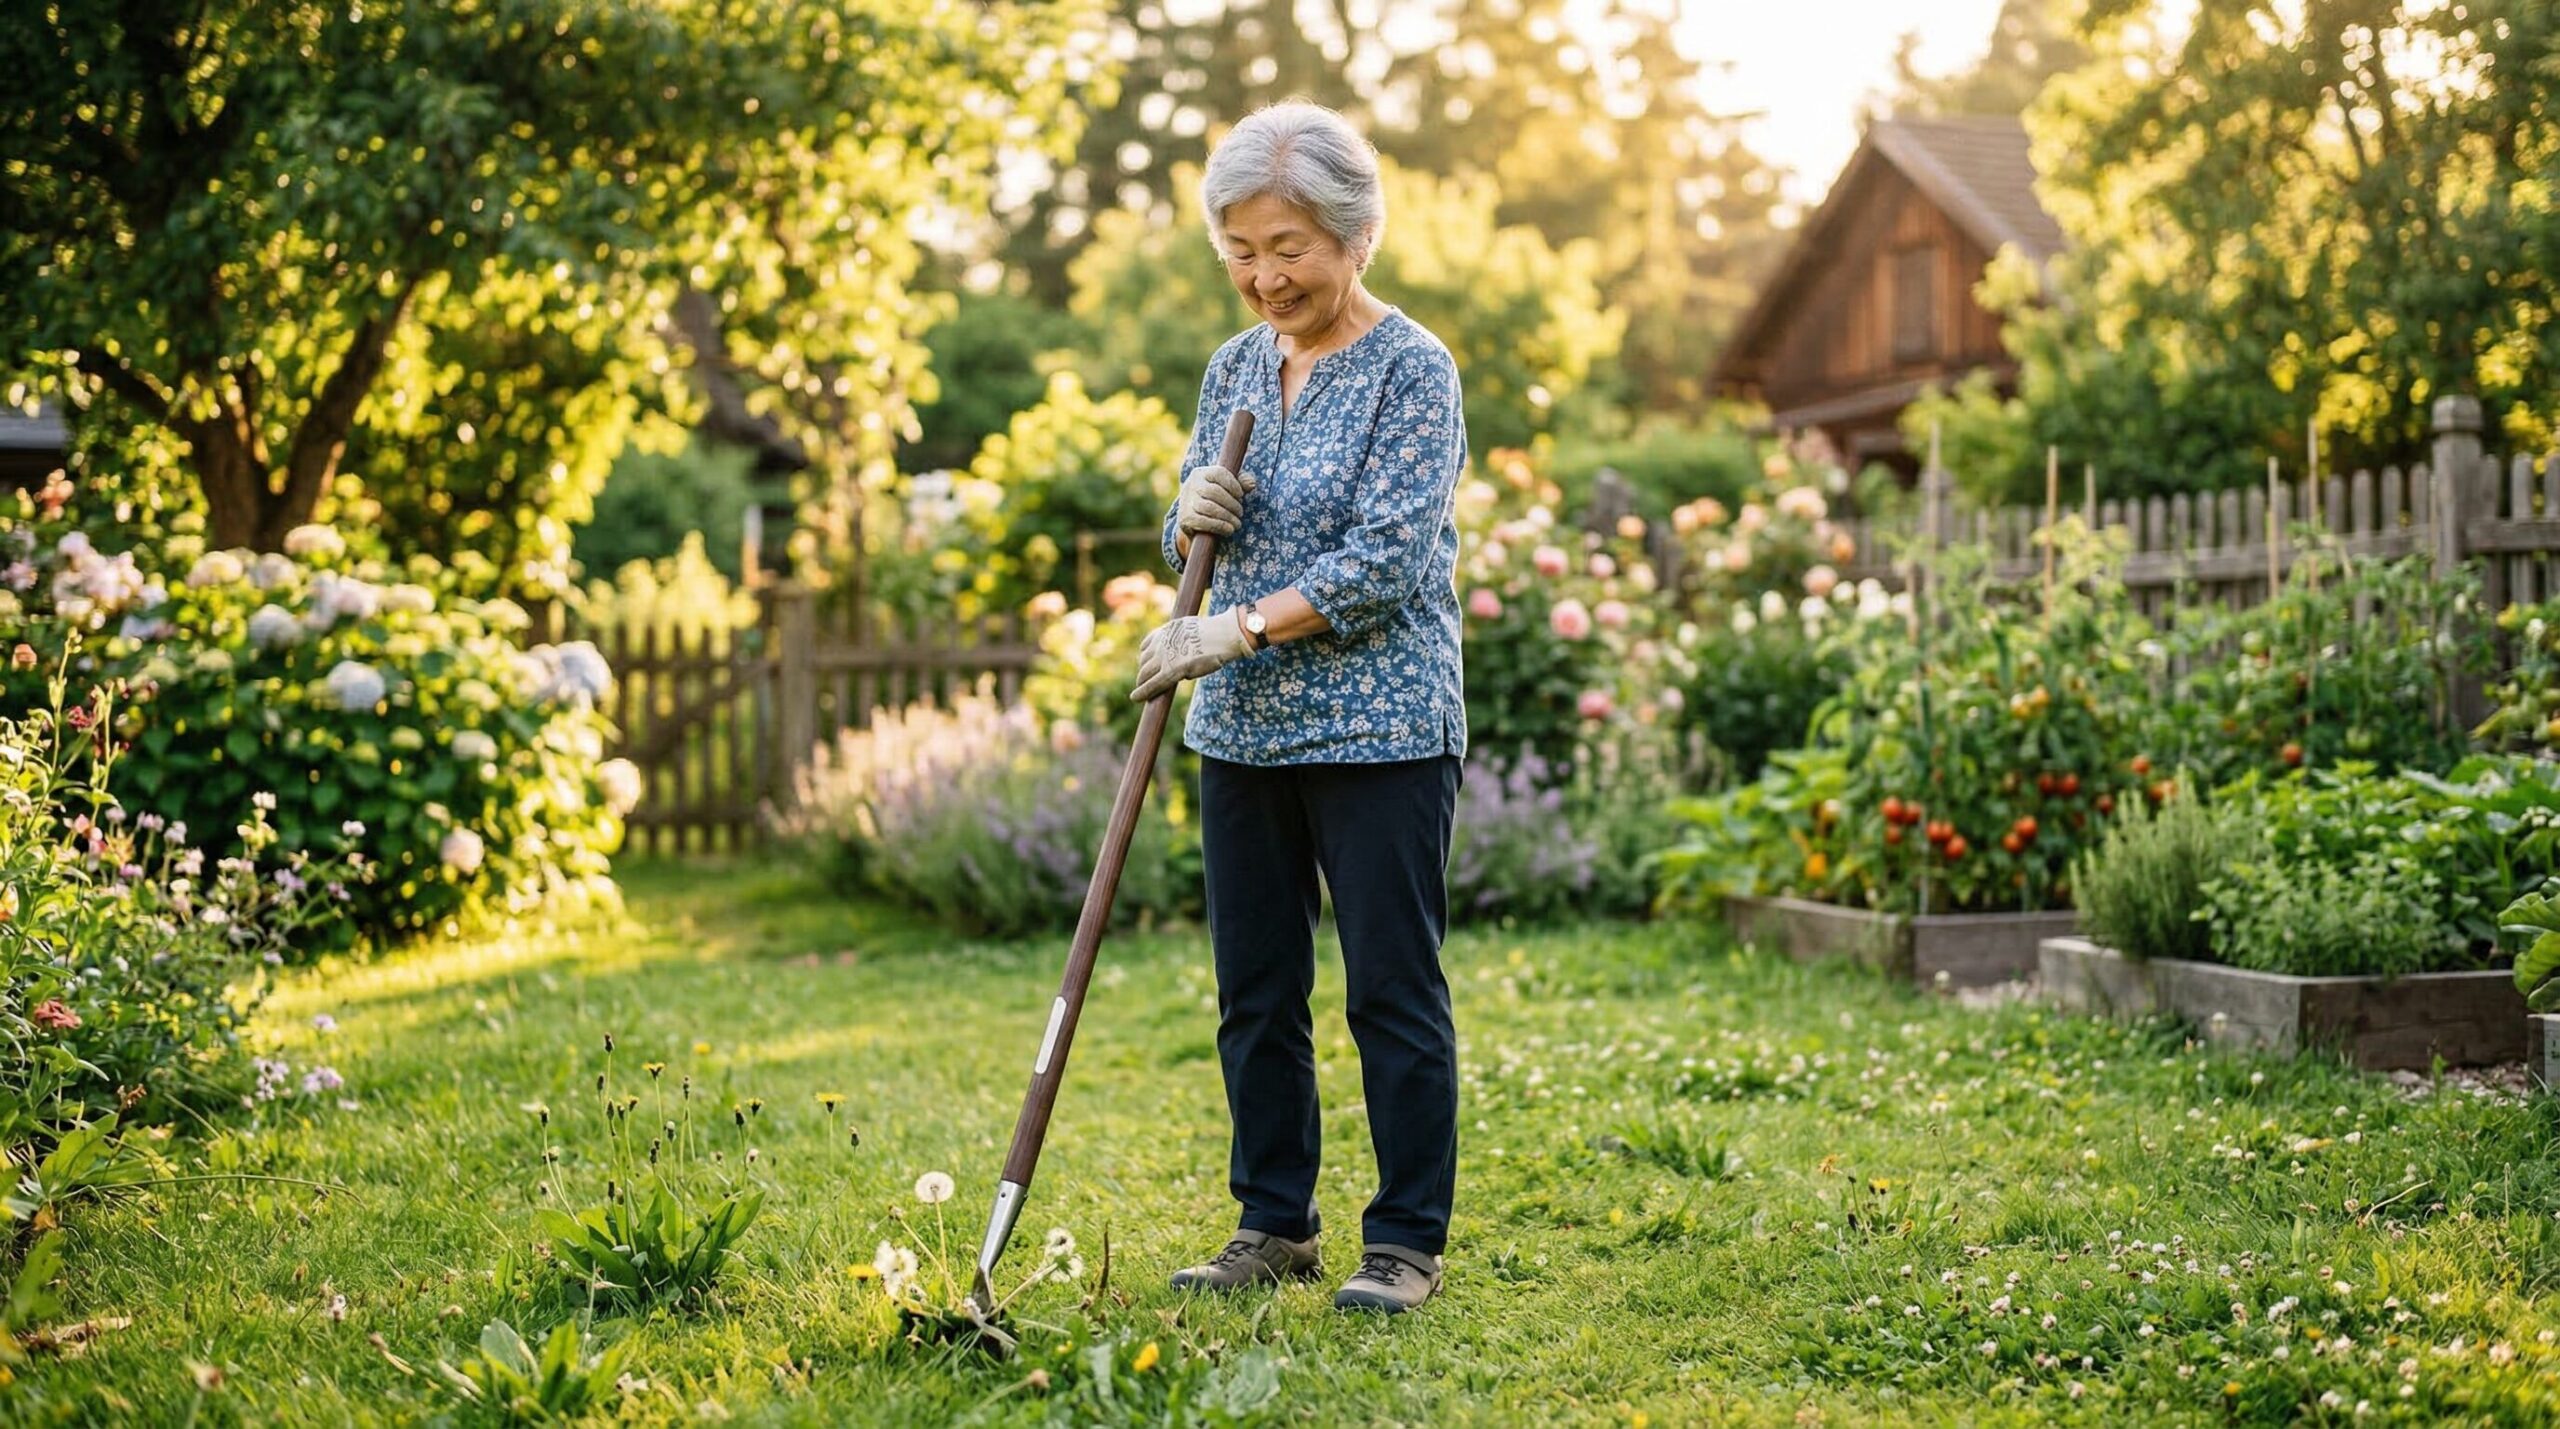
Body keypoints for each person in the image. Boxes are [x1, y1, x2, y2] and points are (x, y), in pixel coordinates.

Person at [1127, 100, 1468, 1315]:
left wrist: (1232, 629)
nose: (1265, 275)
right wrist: (1189, 513)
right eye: (1241, 250)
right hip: (1245, 730)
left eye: (1289, 247)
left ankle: (1404, 1243)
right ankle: (1273, 1222)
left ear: (1355, 234)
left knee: (1389, 986)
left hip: (1381, 726)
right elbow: (1194, 527)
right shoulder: (1232, 367)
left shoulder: (1412, 370)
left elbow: (1382, 565)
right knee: (1255, 988)